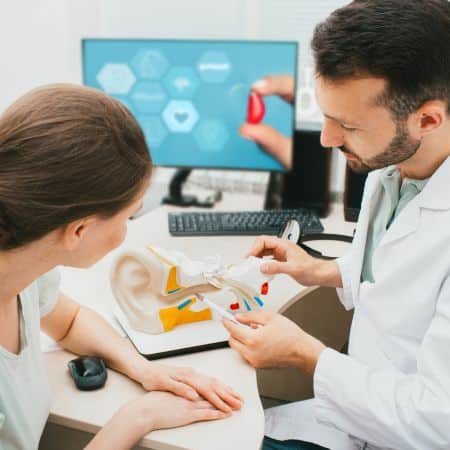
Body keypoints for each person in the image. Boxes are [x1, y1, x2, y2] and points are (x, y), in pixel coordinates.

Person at [225, 0, 450, 449]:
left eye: (345, 124)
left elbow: (438, 422)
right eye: (325, 115)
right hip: (359, 416)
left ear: (428, 119)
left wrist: (307, 356)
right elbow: (395, 279)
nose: (327, 139)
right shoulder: (390, 170)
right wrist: (321, 269)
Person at [0, 84, 242, 450]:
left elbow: (68, 321)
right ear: (78, 230)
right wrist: (138, 416)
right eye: (129, 216)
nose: (126, 231)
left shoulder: (25, 264)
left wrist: (144, 369)